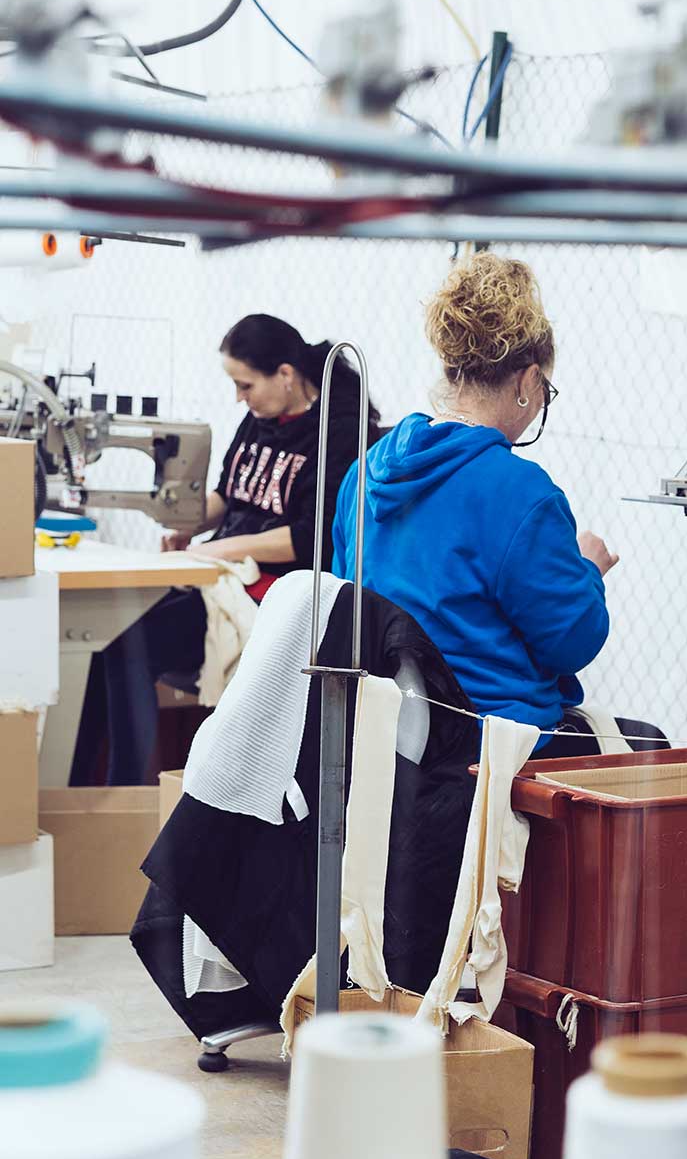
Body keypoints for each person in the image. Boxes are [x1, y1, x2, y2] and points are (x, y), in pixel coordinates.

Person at [332, 252, 619, 748]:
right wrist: (587, 571)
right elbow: (572, 642)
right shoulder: (520, 493)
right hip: (492, 747)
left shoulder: (365, 473)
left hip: (382, 741)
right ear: (528, 382)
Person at [80, 313, 376, 785]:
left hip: (270, 594)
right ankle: (85, 797)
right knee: (101, 633)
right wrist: (185, 523)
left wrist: (216, 551)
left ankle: (127, 795)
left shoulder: (339, 433)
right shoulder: (258, 418)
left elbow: (311, 537)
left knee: (125, 639)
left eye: (245, 385)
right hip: (221, 571)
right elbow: (226, 497)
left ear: (284, 374)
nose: (239, 398)